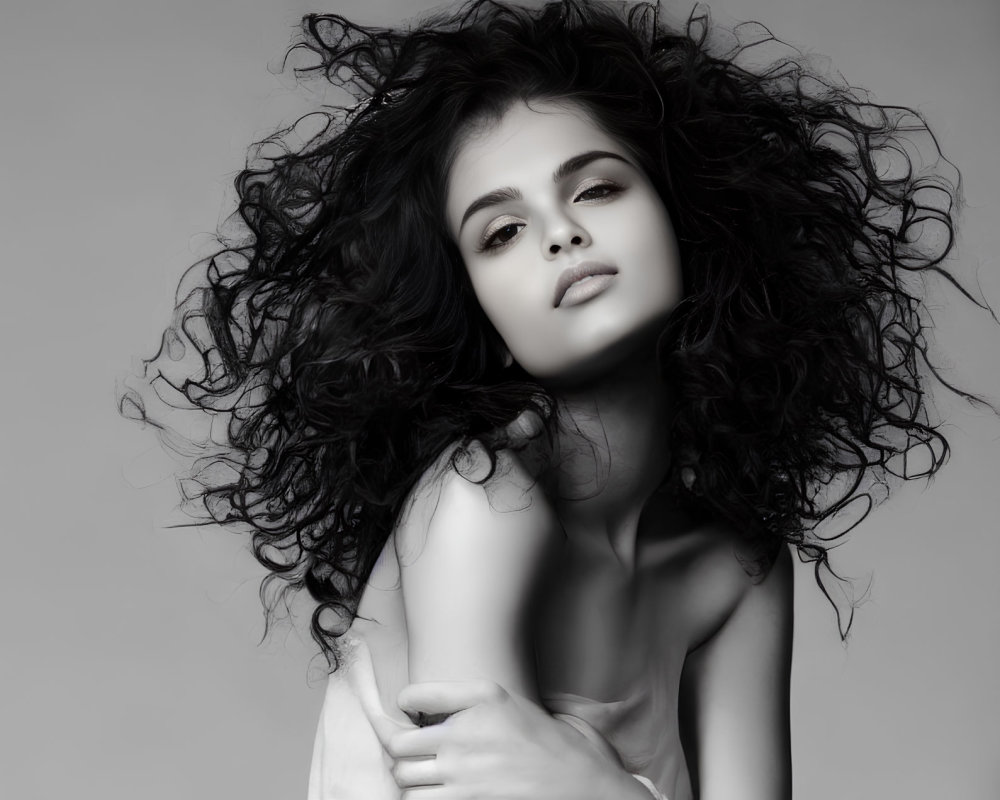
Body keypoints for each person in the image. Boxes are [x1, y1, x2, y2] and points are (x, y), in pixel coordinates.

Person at [126, 1, 980, 798]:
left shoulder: (739, 565)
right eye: (502, 233)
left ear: (687, 222)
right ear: (484, 317)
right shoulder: (480, 498)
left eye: (598, 188)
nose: (562, 234)